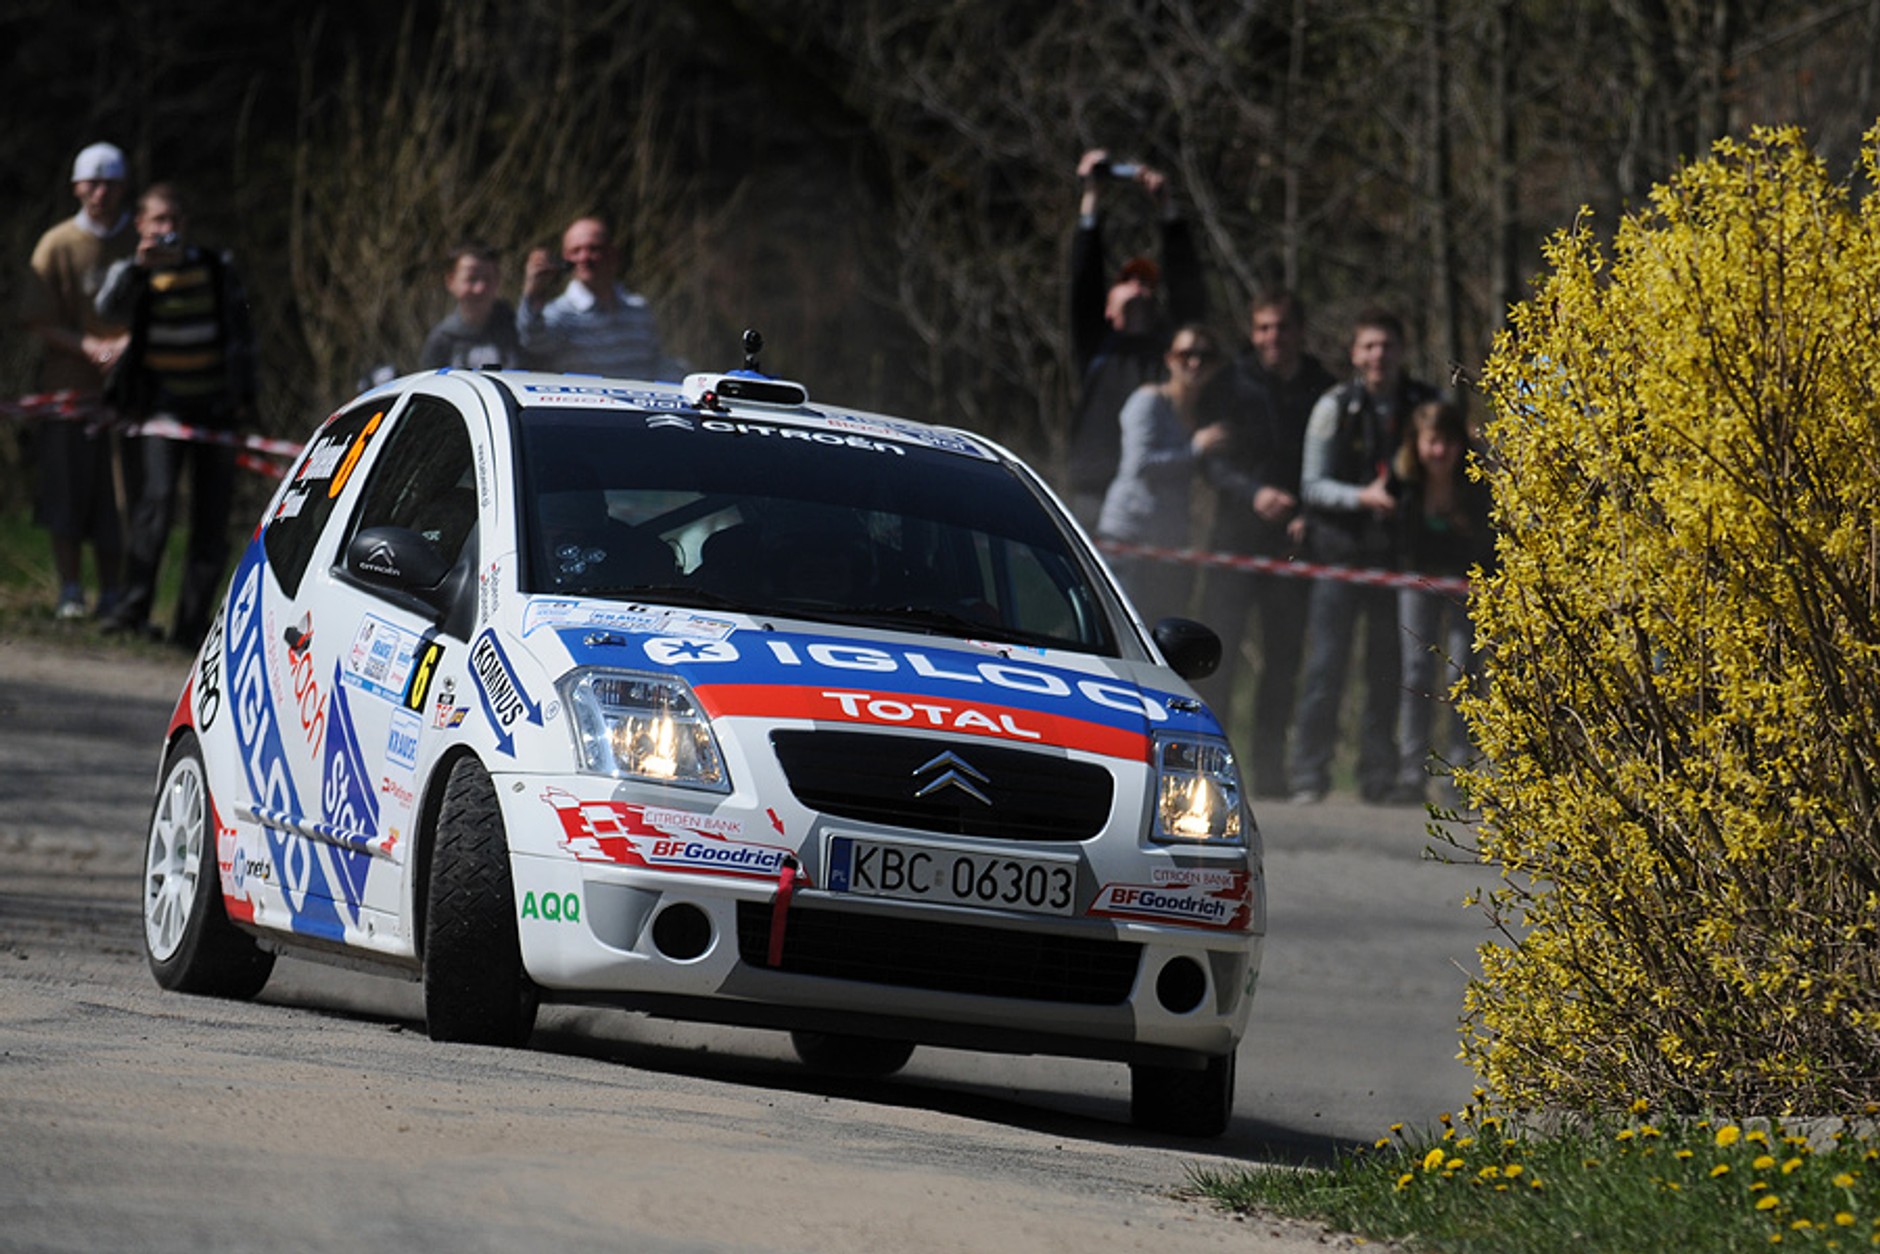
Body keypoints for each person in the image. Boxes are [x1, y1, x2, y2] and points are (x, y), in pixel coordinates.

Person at [94, 182, 258, 648]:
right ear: (141, 225)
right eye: (157, 221)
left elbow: (243, 334)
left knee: (212, 517)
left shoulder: (215, 267)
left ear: (185, 225)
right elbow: (107, 310)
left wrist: (246, 397)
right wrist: (137, 269)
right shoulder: (134, 271)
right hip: (160, 411)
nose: (166, 230)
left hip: (216, 411)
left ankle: (190, 625)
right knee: (157, 503)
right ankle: (131, 611)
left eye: (174, 221)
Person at [1288, 308, 1439, 805]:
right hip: (1338, 556)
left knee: (1386, 670)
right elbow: (1311, 485)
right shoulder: (1336, 405)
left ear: (1402, 351)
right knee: (1326, 667)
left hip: (1398, 559)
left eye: (1388, 345)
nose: (1379, 355)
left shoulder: (1424, 404)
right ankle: (1310, 772)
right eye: (1369, 345)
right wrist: (1362, 498)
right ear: (1355, 353)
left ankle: (1377, 774)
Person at [1192, 290, 1338, 796]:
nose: (1272, 338)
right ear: (1253, 333)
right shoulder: (1228, 383)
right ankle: (1207, 771)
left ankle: (1271, 772)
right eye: (1263, 329)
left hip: (1294, 545)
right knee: (1217, 660)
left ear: (1299, 331)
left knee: (1283, 662)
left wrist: (1307, 508)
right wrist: (1252, 494)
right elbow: (1210, 462)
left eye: (1281, 327)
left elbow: (1338, 463)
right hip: (1233, 539)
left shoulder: (1325, 389)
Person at [21, 141, 135, 621]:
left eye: (109, 183)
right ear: (76, 187)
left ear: (122, 186)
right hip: (69, 386)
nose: (101, 193)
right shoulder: (57, 244)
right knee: (66, 489)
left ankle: (114, 591)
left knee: (119, 494)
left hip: (128, 389)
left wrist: (126, 345)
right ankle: (70, 588)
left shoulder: (138, 242)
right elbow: (36, 318)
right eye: (92, 182)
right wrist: (87, 346)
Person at [1064, 149, 1206, 526]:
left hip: (1155, 499)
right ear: (1108, 305)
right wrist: (1091, 196)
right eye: (1127, 281)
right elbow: (1084, 278)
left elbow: (1189, 297)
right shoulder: (1096, 343)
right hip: (1094, 492)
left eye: (1147, 283)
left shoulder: (1168, 352)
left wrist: (1168, 209)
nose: (1139, 287)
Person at [1096, 323, 1235, 625]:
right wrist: (1195, 449)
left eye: (1204, 355)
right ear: (1169, 359)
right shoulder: (1148, 401)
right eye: (1186, 353)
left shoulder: (1202, 414)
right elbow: (1139, 464)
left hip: (1166, 546)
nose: (1195, 362)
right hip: (1127, 540)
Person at [1392, 399, 1493, 805]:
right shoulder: (1403, 484)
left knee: (1461, 675)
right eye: (1432, 442)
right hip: (1416, 584)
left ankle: (1459, 770)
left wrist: (1464, 528)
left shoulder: (1476, 484)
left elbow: (1488, 545)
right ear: (1416, 444)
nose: (1440, 453)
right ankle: (1410, 771)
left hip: (1467, 586)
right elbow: (1393, 540)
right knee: (1416, 673)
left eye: (1448, 443)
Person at [517, 216, 678, 378]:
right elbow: (532, 340)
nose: (584, 258)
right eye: (576, 251)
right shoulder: (560, 314)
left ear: (612, 254)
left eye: (593, 249)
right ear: (566, 259)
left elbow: (657, 363)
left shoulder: (639, 309)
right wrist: (533, 291)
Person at [420, 241, 527, 370]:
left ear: (498, 280)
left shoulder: (520, 331)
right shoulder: (441, 341)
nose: (480, 289)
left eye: (487, 279)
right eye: (471, 279)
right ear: (450, 281)